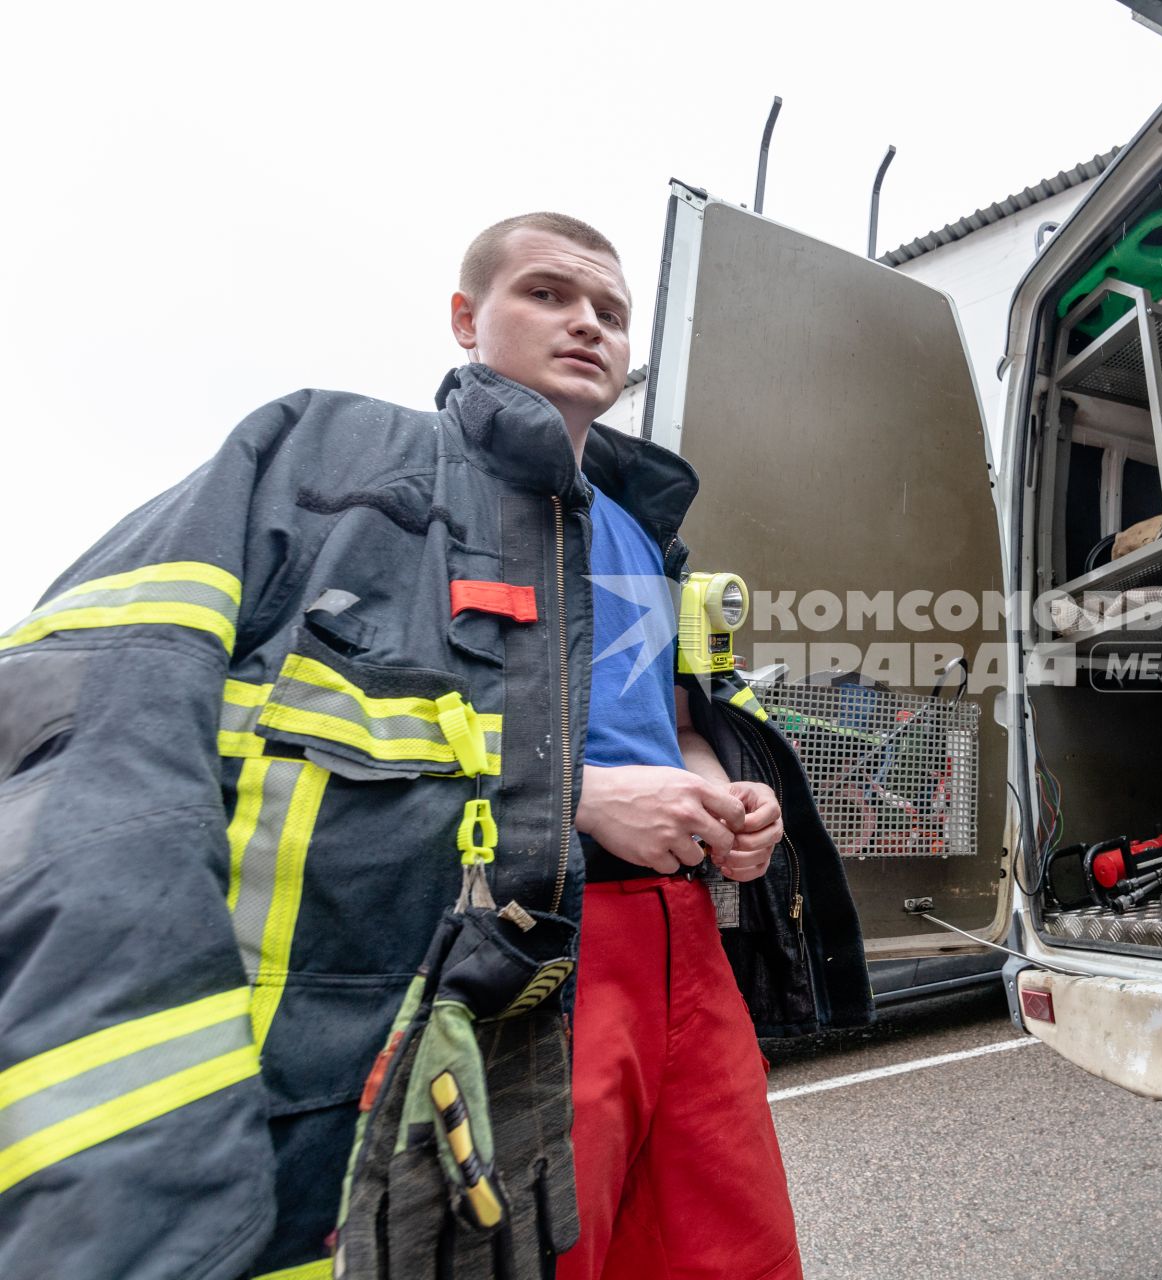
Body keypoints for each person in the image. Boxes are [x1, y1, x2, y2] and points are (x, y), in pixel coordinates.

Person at [0, 208, 869, 1279]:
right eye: (548, 294)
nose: (587, 323)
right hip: (530, 946)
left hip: (683, 942)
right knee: (546, 1250)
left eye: (610, 309)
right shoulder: (370, 478)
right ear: (467, 318)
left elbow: (685, 718)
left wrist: (727, 796)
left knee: (731, 1250)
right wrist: (579, 797)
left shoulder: (648, 529)